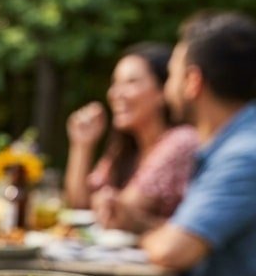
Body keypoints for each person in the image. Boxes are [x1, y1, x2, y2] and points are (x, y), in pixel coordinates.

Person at [137, 11, 256, 276]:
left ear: (193, 81)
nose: (167, 88)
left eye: (171, 74)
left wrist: (147, 237)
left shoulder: (244, 155)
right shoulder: (231, 145)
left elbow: (172, 251)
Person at [64, 43, 198, 234]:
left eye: (131, 82)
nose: (115, 94)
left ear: (163, 91)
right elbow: (79, 204)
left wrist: (103, 201)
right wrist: (82, 145)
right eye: (115, 83)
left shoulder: (181, 141)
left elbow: (116, 211)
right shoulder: (125, 149)